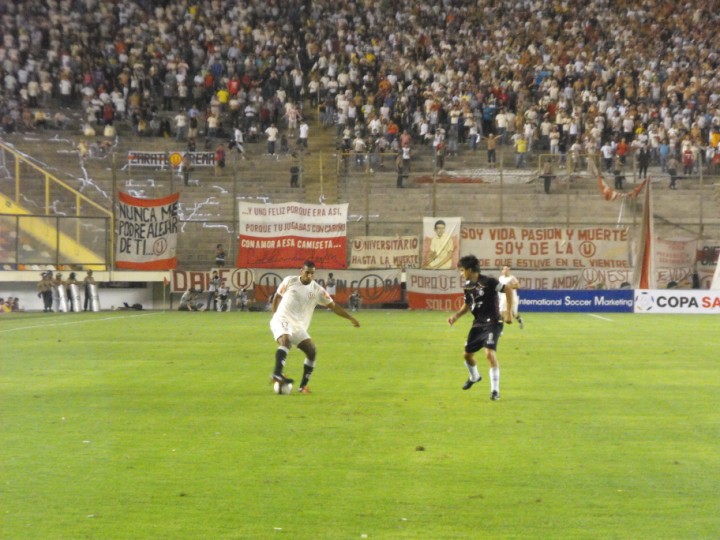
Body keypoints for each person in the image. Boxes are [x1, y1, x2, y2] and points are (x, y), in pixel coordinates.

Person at [270, 260, 360, 393]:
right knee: (286, 341)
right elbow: (277, 296)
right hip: (282, 319)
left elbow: (333, 306)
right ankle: (277, 373)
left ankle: (303, 386)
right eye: (307, 272)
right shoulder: (290, 281)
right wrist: (275, 316)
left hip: (298, 327)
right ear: (301, 271)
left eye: (312, 273)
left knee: (311, 351)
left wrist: (350, 318)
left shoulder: (318, 290)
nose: (309, 275)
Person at [447, 255, 515, 400]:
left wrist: (508, 313)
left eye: (462, 270)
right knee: (467, 355)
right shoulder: (468, 285)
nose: (461, 273)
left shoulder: (489, 282)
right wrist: (456, 316)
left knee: (489, 354)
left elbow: (508, 290)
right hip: (478, 324)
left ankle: (495, 391)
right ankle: (474, 376)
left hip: (493, 322)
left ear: (470, 269)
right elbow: (467, 305)